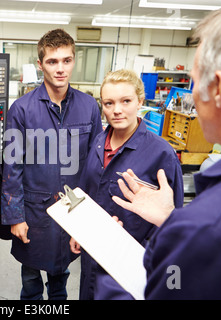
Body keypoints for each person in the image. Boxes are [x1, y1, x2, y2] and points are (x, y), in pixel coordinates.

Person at [112, 0, 221, 299]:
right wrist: (171, 220)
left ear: (218, 88)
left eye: (195, 83)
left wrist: (109, 257)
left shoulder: (209, 225)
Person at [1, 28, 103, 300]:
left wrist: (90, 215)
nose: (60, 69)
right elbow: (12, 167)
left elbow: (96, 164)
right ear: (40, 64)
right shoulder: (21, 110)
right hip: (33, 212)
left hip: (72, 209)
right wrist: (16, 217)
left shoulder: (89, 107)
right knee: (31, 279)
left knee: (61, 278)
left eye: (66, 60)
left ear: (74, 60)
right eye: (52, 61)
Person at [70, 69, 184, 299]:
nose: (117, 110)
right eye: (109, 103)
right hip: (94, 251)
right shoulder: (99, 141)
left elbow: (174, 219)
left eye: (126, 101)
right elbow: (87, 191)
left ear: (141, 101)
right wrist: (79, 230)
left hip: (131, 260)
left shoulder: (161, 154)